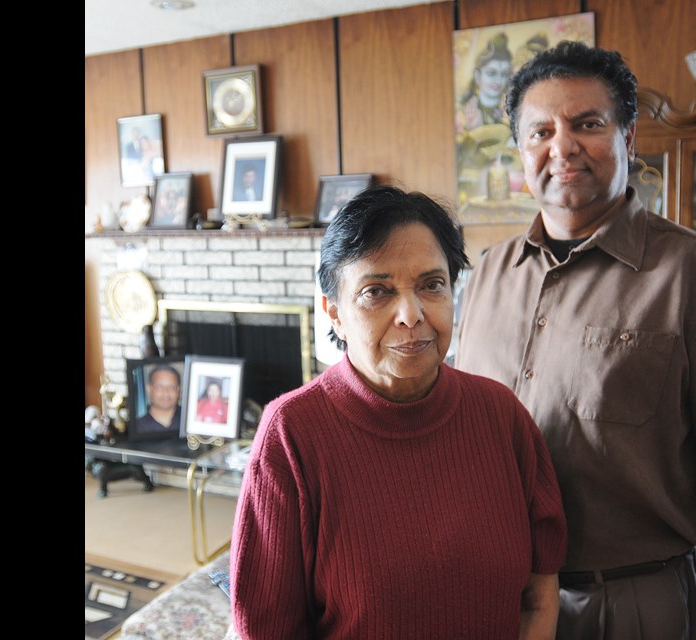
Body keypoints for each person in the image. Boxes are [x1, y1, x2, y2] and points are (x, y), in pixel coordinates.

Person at [455, 41, 696, 640]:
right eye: (540, 132)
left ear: (629, 136)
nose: (561, 146)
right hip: (498, 597)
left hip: (636, 603)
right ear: (520, 151)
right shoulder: (487, 275)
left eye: (587, 124)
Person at [229, 184, 567, 639]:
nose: (411, 314)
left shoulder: (501, 415)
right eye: (377, 291)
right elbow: (266, 629)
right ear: (334, 312)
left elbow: (539, 595)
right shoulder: (291, 433)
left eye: (432, 285)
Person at [135, 365, 182, 433]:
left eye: (171, 387)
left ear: (178, 390)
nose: (165, 393)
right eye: (159, 387)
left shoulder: (190, 421)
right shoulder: (137, 427)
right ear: (148, 390)